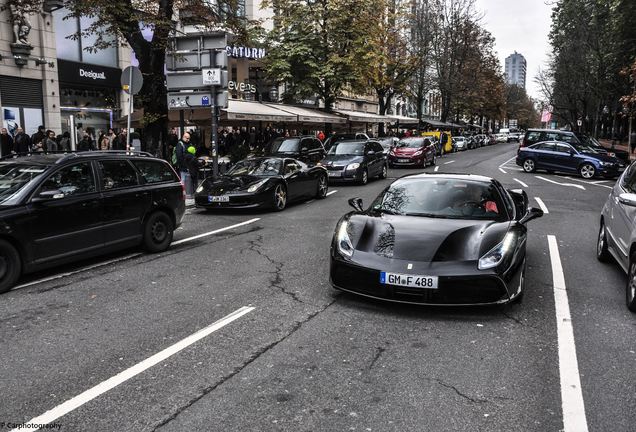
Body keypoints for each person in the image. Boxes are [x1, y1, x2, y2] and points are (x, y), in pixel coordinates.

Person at [175, 132, 193, 197]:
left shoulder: (189, 144)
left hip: (189, 166)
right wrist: (184, 166)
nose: (188, 140)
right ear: (184, 137)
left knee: (187, 181)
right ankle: (183, 194)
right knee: (183, 181)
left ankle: (187, 193)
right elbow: (179, 157)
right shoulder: (180, 144)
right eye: (187, 138)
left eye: (189, 138)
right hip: (183, 167)